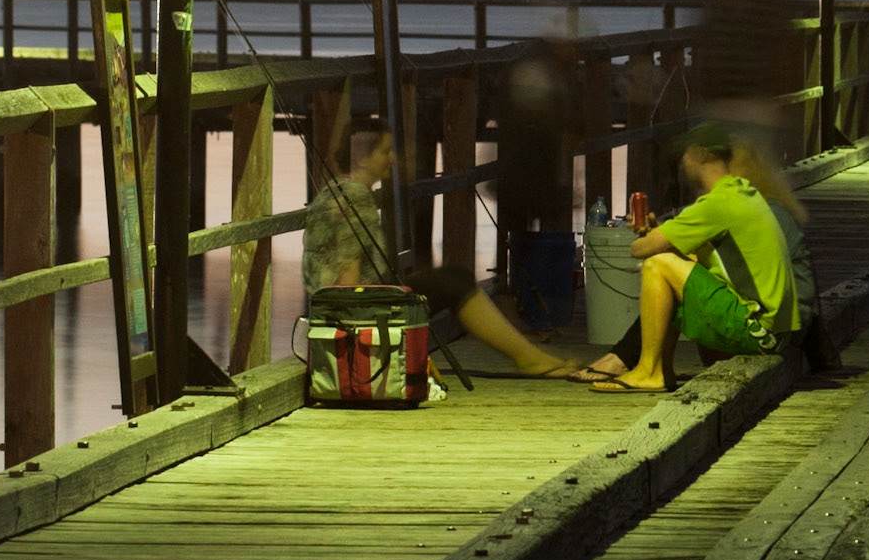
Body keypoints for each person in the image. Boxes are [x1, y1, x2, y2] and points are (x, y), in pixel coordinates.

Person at [302, 126, 579, 378]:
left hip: (331, 311)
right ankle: (527, 358)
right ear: (362, 158)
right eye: (386, 151)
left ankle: (528, 356)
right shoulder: (356, 198)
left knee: (452, 278)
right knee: (455, 282)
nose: (393, 159)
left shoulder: (332, 193)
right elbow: (347, 285)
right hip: (353, 313)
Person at [589, 126, 799, 394]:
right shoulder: (741, 192)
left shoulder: (716, 203)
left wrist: (648, 236)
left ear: (699, 154)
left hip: (758, 333)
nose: (683, 162)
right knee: (677, 262)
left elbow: (640, 250)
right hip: (774, 334)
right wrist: (659, 233)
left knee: (657, 263)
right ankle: (661, 370)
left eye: (686, 154)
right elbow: (686, 251)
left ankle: (649, 371)